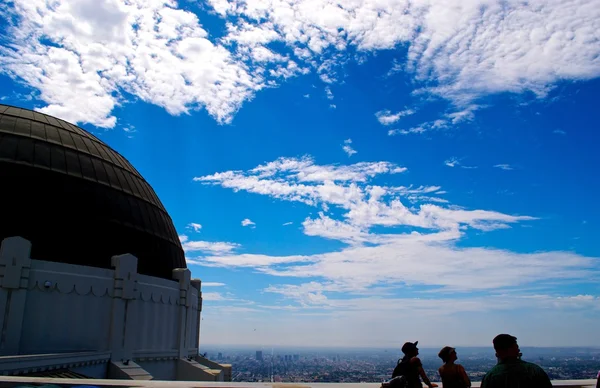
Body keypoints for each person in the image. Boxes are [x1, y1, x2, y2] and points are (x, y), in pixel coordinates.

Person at [481, 334, 552, 388]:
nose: (518, 350)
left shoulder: (490, 376)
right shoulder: (535, 371)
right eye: (517, 348)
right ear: (515, 350)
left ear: (497, 353)